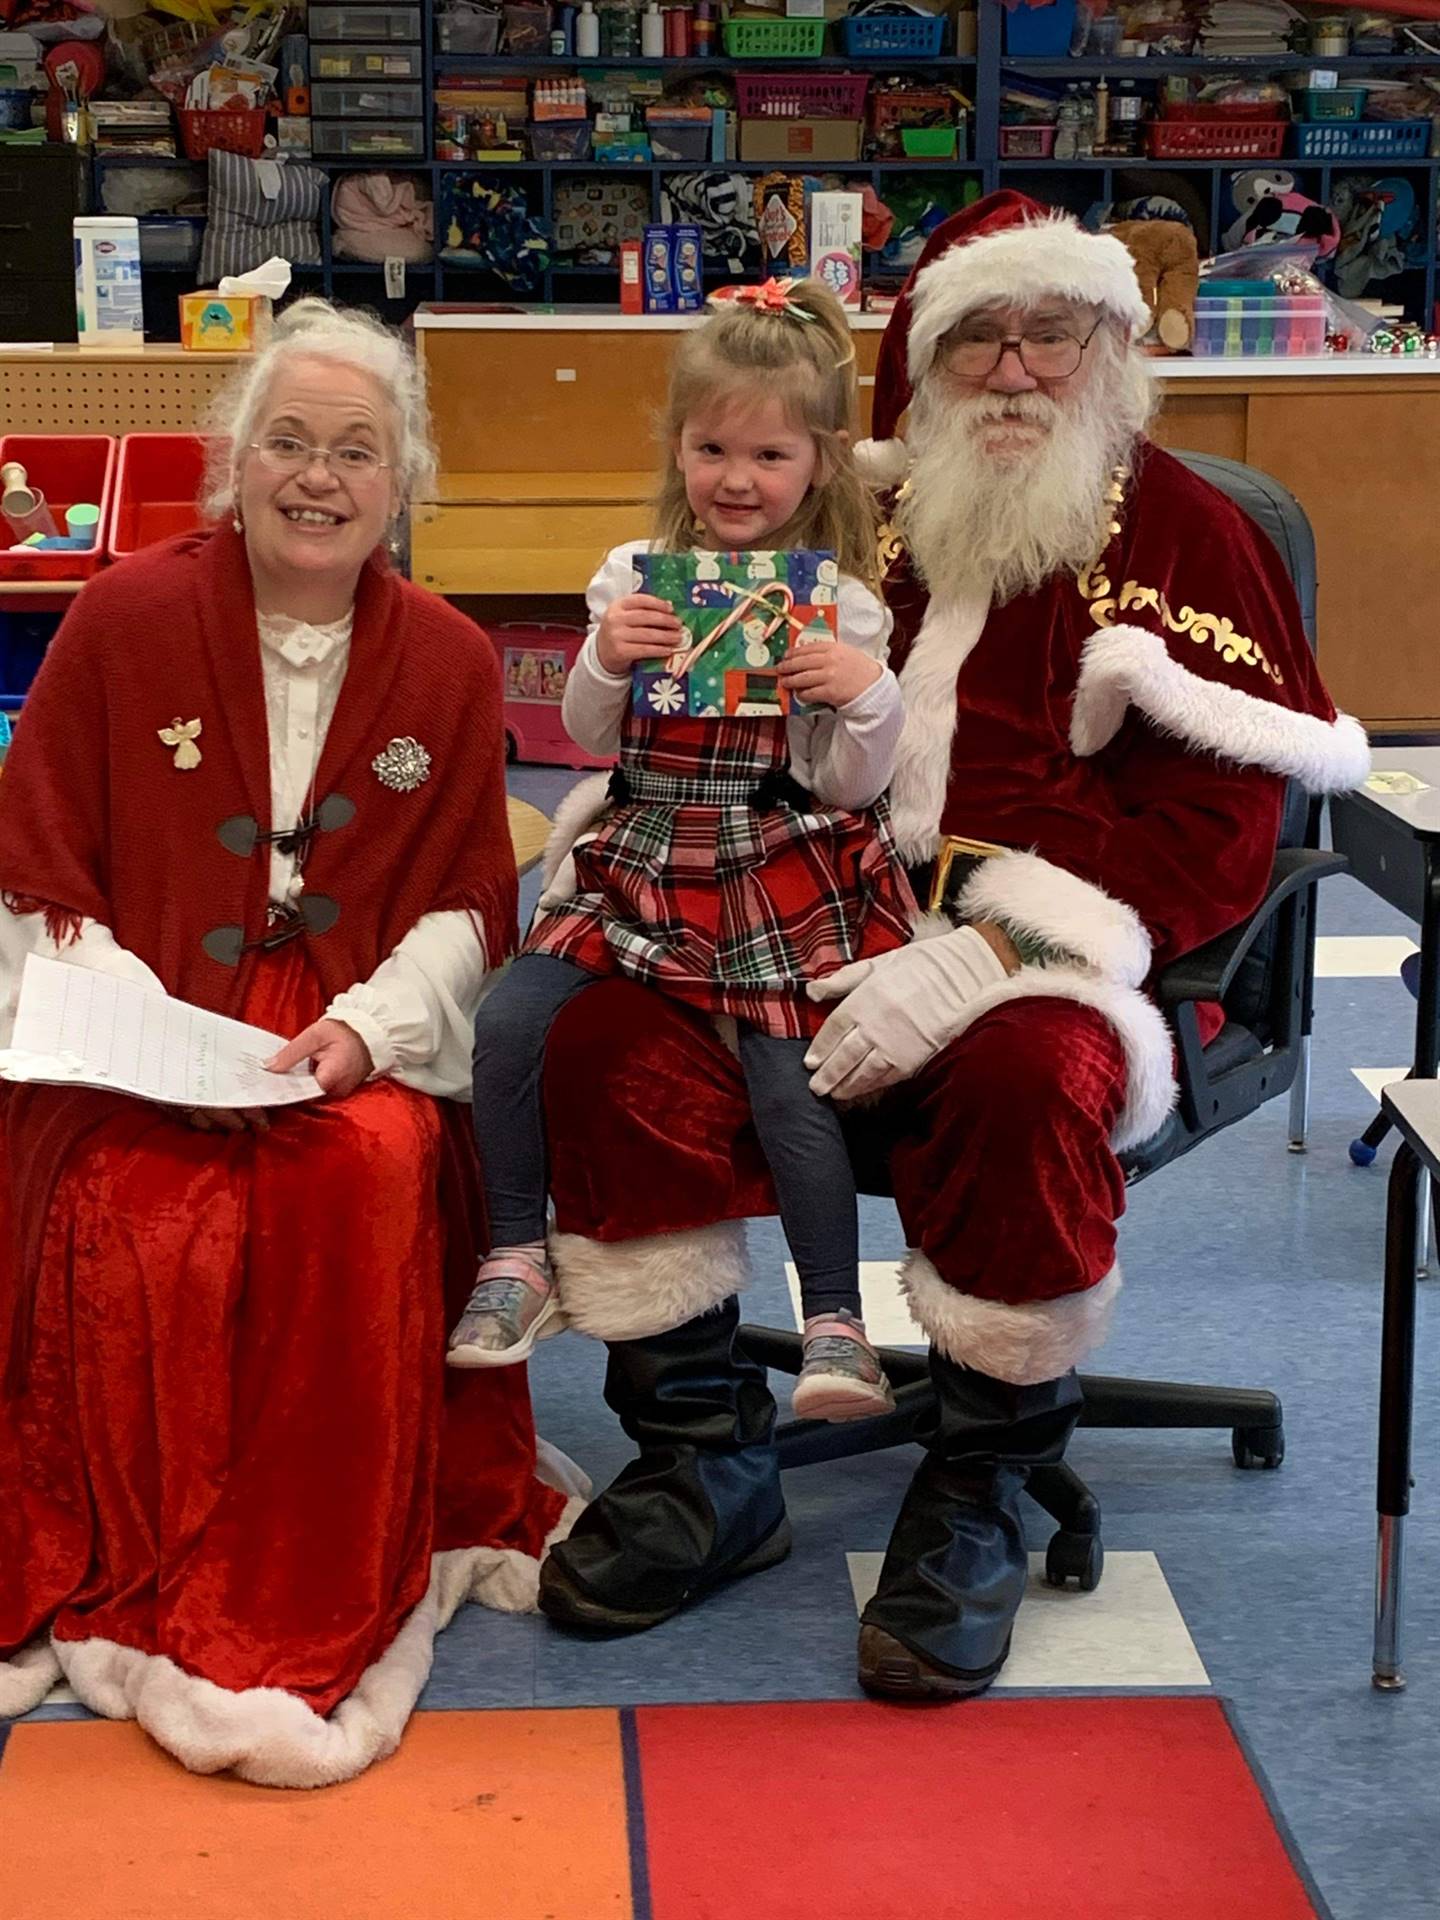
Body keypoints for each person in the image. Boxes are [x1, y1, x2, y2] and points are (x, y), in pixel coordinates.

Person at [532, 193, 1371, 1674]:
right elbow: (700, 703)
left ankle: (978, 1484)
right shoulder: (857, 512)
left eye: (1050, 331)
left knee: (1025, 1077)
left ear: (1110, 344)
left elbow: (1221, 827)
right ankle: (701, 1461)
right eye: (976, 334)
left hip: (1055, 953)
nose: (1013, 368)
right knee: (606, 1035)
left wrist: (994, 949)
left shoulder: (1188, 532)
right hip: (783, 909)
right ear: (922, 359)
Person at [0, 299, 581, 1787]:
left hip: (345, 1037)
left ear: (404, 487)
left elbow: (468, 900)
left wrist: (363, 1033)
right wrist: (134, 1021)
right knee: (126, 1202)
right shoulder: (121, 615)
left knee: (362, 1180)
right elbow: (38, 868)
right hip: (130, 1031)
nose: (318, 478)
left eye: (357, 453)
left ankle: (299, 1575)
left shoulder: (447, 660)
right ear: (234, 463)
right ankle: (129, 1547)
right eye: (289, 443)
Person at [447, 276, 929, 1427]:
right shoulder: (632, 578)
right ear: (678, 449)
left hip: (775, 850)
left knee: (788, 1077)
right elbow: (586, 738)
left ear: (817, 461)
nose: (737, 479)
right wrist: (608, 656)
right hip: (647, 841)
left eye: (768, 455)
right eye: (712, 449)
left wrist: (868, 703)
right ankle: (515, 1254)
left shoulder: (844, 607)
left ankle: (835, 1324)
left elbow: (849, 786)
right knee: (510, 1019)